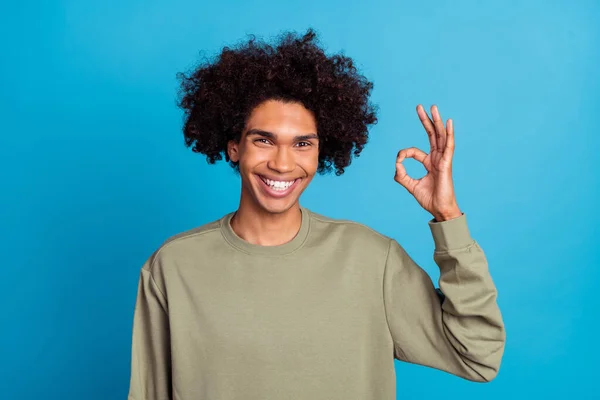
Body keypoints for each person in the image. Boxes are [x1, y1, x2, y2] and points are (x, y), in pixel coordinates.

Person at [127, 28, 506, 400]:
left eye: (302, 144)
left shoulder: (371, 260)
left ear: (320, 152)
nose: (282, 163)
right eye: (264, 140)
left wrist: (448, 218)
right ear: (233, 148)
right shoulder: (174, 266)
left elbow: (478, 356)